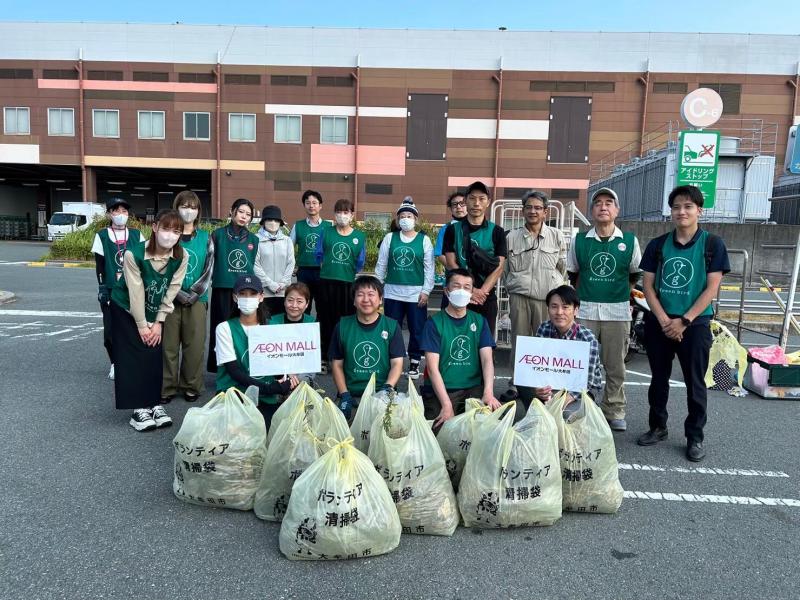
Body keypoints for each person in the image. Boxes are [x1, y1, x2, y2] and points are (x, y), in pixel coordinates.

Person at [637, 185, 729, 462]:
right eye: (677, 206)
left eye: (688, 206)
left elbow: (711, 288)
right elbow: (648, 287)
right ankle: (658, 427)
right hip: (661, 322)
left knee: (695, 382)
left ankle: (695, 437)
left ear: (699, 210)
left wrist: (684, 321)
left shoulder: (712, 245)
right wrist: (666, 320)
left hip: (696, 324)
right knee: (659, 379)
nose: (682, 211)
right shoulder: (657, 245)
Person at [567, 187, 642, 432]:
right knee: (581, 363)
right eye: (598, 203)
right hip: (586, 310)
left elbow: (634, 275)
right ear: (591, 211)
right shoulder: (579, 241)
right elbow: (573, 274)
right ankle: (580, 406)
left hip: (617, 312)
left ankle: (614, 409)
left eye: (609, 203)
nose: (603, 206)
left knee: (615, 364)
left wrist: (616, 293)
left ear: (616, 210)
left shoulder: (629, 241)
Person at [109, 209, 188, 431]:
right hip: (125, 307)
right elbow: (136, 293)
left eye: (176, 231)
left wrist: (159, 322)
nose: (170, 235)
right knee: (133, 354)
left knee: (153, 353)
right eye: (166, 229)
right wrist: (143, 326)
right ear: (155, 228)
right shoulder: (133, 255)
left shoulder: (182, 256)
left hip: (155, 310)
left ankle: (153, 402)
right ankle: (138, 409)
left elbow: (173, 289)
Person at [504, 190, 567, 401]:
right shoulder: (511, 237)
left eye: (538, 208)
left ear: (545, 212)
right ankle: (516, 385)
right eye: (529, 207)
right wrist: (513, 286)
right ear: (523, 211)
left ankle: (543, 387)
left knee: (545, 345)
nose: (533, 211)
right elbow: (505, 270)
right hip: (519, 297)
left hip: (547, 299)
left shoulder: (557, 236)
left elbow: (563, 269)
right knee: (520, 342)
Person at [215, 274, 300, 428]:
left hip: (265, 397)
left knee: (269, 434)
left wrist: (287, 377)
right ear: (235, 297)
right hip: (234, 394)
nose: (248, 298)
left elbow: (277, 365)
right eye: (242, 294)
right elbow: (233, 371)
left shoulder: (271, 328)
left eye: (253, 294)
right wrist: (270, 388)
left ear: (261, 297)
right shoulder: (224, 328)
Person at [421, 268, 500, 429]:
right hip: (442, 390)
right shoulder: (434, 323)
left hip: (472, 389)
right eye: (456, 286)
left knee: (491, 426)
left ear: (472, 292)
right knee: (437, 428)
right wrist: (446, 404)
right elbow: (432, 368)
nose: (462, 291)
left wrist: (488, 392)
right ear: (446, 291)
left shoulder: (479, 321)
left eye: (467, 287)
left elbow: (487, 360)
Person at [161, 191, 214, 403]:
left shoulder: (206, 237)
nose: (188, 211)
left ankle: (191, 386)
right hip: (170, 300)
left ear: (198, 211)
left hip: (197, 301)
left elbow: (209, 269)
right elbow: (160, 267)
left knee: (194, 345)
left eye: (193, 207)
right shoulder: (167, 236)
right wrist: (177, 293)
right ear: (176, 208)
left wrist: (193, 294)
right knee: (169, 346)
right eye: (184, 206)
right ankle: (167, 387)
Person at [329, 276, 405, 420]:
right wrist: (344, 394)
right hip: (351, 395)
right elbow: (336, 365)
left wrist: (387, 388)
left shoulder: (392, 326)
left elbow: (397, 364)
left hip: (381, 395)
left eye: (371, 294)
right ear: (354, 300)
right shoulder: (342, 326)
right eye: (360, 294)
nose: (365, 299)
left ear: (380, 299)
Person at [375, 196, 434, 379]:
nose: (405, 219)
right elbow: (381, 265)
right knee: (392, 329)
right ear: (398, 219)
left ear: (415, 219)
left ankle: (415, 362)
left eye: (409, 215)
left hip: (416, 294)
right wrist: (378, 288)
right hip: (393, 292)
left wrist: (426, 290)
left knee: (417, 330)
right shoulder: (389, 238)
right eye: (402, 216)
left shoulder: (424, 240)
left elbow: (429, 268)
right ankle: (393, 361)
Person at [443, 181, 507, 337]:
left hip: (485, 297)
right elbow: (451, 263)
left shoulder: (497, 231)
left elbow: (499, 266)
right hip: (459, 295)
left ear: (488, 202)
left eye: (481, 198)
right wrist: (470, 291)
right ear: (466, 201)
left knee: (484, 343)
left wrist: (481, 292)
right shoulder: (452, 230)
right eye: (472, 198)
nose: (476, 203)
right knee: (457, 339)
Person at [92, 197, 143, 381]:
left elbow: (143, 262)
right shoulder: (102, 235)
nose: (121, 215)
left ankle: (132, 361)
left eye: (124, 211)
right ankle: (115, 363)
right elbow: (100, 265)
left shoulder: (137, 235)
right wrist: (102, 287)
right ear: (109, 214)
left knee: (135, 327)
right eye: (116, 211)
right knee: (111, 330)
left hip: (133, 289)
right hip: (112, 290)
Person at [206, 198, 259, 373]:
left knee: (243, 328)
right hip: (222, 288)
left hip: (245, 291)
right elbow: (210, 263)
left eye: (248, 214)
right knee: (220, 327)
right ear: (233, 211)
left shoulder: (254, 239)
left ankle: (244, 366)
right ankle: (220, 368)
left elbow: (253, 264)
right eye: (241, 212)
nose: (244, 216)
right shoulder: (217, 235)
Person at [531, 285, 603, 410]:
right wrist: (539, 388)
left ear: (575, 310)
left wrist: (566, 399)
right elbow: (538, 367)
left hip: (583, 390)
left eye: (565, 307)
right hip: (554, 384)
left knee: (566, 414)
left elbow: (588, 380)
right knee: (528, 392)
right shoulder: (544, 328)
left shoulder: (587, 338)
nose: (559, 312)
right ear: (548, 309)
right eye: (554, 306)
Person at [315, 198, 366, 374]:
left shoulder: (359, 237)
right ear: (334, 214)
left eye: (346, 212)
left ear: (352, 215)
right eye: (339, 212)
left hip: (347, 284)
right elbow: (319, 256)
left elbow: (359, 262)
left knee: (345, 322)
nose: (342, 216)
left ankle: (341, 358)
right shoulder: (326, 232)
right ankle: (323, 357)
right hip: (326, 281)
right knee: (324, 320)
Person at [290, 190, 331, 315]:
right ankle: (303, 333)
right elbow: (289, 248)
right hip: (304, 272)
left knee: (323, 305)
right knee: (302, 304)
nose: (311, 206)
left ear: (320, 206)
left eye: (314, 203)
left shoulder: (329, 226)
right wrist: (292, 266)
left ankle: (321, 332)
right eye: (308, 203)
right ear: (304, 205)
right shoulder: (298, 226)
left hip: (323, 272)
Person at [270, 282, 318, 386]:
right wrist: (286, 373)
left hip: (303, 370)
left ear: (307, 304)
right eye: (290, 300)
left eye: (299, 301)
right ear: (284, 301)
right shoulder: (273, 322)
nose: (294, 305)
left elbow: (312, 357)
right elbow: (269, 355)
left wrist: (295, 375)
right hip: (278, 369)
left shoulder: (311, 323)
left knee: (302, 379)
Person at [254, 204, 295, 318]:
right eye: (269, 219)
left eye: (276, 220)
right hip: (263, 292)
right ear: (263, 221)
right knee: (264, 323)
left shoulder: (287, 241)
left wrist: (283, 283)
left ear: (280, 222)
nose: (273, 222)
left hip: (283, 291)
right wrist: (271, 284)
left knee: (281, 326)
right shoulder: (256, 239)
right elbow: (255, 265)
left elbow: (291, 263)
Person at [435, 192, 467, 268]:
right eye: (454, 204)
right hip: (454, 276)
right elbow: (440, 254)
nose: (458, 207)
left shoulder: (478, 227)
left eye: (462, 203)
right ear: (451, 209)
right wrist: (457, 272)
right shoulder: (445, 229)